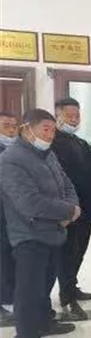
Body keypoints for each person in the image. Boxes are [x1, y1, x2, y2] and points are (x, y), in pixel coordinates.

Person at [0, 109, 79, 338]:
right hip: (29, 235)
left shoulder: (47, 154)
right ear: (27, 129)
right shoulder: (10, 160)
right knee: (29, 289)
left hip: (53, 231)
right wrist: (67, 211)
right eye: (45, 129)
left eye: (53, 130)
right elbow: (28, 202)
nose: (50, 135)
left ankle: (44, 322)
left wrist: (72, 208)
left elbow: (66, 184)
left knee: (45, 282)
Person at [52, 97, 91, 321]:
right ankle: (67, 297)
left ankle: (72, 286)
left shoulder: (80, 142)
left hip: (87, 207)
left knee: (79, 251)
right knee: (68, 253)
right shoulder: (53, 143)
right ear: (58, 116)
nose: (74, 120)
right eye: (69, 116)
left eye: (77, 116)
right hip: (69, 209)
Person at [0, 111, 18, 322]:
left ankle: (11, 296)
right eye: (6, 126)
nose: (12, 131)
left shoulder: (17, 151)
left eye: (14, 126)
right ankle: (5, 299)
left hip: (14, 214)